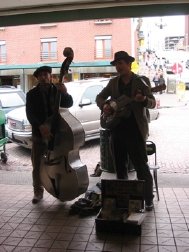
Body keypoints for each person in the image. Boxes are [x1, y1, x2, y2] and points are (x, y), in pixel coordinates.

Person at [96, 51, 156, 211]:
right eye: (116, 64)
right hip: (117, 130)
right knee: (120, 168)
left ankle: (148, 199)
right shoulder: (113, 83)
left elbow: (152, 103)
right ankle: (124, 200)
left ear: (129, 64)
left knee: (141, 167)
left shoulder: (141, 82)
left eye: (121, 63)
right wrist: (106, 106)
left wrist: (143, 100)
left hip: (135, 131)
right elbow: (99, 97)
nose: (118, 66)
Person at [26, 66, 73, 204]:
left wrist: (65, 92)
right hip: (39, 134)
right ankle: (38, 192)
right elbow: (30, 114)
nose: (43, 77)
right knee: (37, 164)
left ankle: (60, 189)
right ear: (37, 78)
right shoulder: (32, 94)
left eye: (46, 74)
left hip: (57, 134)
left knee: (59, 163)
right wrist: (40, 126)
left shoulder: (57, 90)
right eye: (40, 75)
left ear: (50, 76)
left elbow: (69, 103)